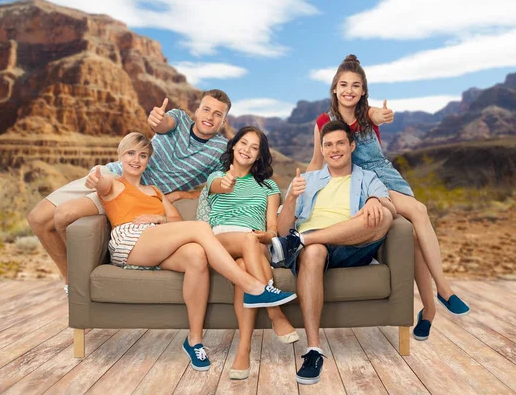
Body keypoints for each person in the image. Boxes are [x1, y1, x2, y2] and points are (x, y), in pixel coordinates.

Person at [88, 132, 297, 372]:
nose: (137, 160)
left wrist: (158, 217)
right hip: (130, 239)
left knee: (197, 255)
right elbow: (102, 185)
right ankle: (254, 288)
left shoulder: (155, 191)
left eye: (143, 155)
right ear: (120, 156)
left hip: (156, 243)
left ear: (148, 160)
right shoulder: (114, 184)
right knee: (200, 229)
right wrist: (97, 180)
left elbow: (175, 219)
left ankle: (194, 341)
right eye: (131, 153)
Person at [307, 55, 470, 343]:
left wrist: (383, 116)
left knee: (415, 237)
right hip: (357, 182)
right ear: (334, 88)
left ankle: (430, 309)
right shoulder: (323, 122)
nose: (349, 90)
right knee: (419, 211)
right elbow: (316, 161)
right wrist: (300, 189)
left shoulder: (368, 113)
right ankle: (444, 291)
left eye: (356, 85)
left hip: (385, 175)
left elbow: (377, 116)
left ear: (363, 90)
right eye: (343, 84)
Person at [27, 90, 231, 293]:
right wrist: (157, 120)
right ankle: (70, 279)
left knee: (66, 214)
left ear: (223, 121)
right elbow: (163, 124)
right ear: (197, 110)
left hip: (138, 194)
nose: (209, 117)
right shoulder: (178, 118)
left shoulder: (221, 149)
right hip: (113, 174)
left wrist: (183, 195)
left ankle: (76, 286)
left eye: (217, 114)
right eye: (206, 109)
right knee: (38, 218)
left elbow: (220, 185)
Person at [273, 120, 396, 385]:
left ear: (351, 146)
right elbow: (283, 232)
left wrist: (375, 199)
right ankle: (314, 350)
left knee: (384, 215)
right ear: (322, 149)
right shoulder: (306, 180)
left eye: (340, 143)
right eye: (328, 145)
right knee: (314, 251)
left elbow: (390, 210)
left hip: (351, 245)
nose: (334, 149)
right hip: (313, 251)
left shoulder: (366, 177)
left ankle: (304, 239)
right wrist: (292, 199)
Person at [205, 127, 298, 380]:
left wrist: (265, 236)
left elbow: (272, 230)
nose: (247, 149)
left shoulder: (269, 186)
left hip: (255, 243)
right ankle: (275, 313)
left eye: (254, 147)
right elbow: (217, 186)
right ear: (234, 146)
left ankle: (243, 351)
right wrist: (225, 182)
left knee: (246, 265)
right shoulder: (217, 177)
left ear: (259, 155)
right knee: (247, 241)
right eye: (243, 143)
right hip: (221, 240)